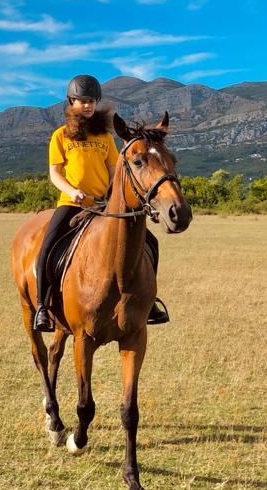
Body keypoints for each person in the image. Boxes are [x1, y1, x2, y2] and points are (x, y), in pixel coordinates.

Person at [32, 74, 169, 332]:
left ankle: (149, 303)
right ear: (71, 102)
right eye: (82, 100)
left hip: (102, 205)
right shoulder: (60, 136)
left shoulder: (105, 138)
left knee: (150, 242)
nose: (87, 105)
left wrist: (112, 197)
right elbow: (54, 173)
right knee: (47, 247)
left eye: (92, 101)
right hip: (71, 204)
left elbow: (115, 171)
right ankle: (42, 306)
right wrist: (72, 192)